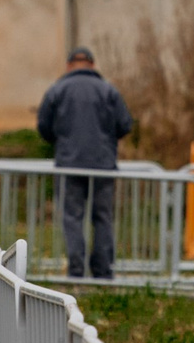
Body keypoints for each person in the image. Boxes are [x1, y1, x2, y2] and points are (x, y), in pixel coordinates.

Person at [37, 46, 134, 280]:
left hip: (69, 164)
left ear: (69, 66)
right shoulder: (108, 90)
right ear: (92, 64)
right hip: (103, 165)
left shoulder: (57, 90)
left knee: (72, 217)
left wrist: (62, 142)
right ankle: (103, 272)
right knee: (102, 217)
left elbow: (44, 127)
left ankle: (76, 270)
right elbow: (125, 124)